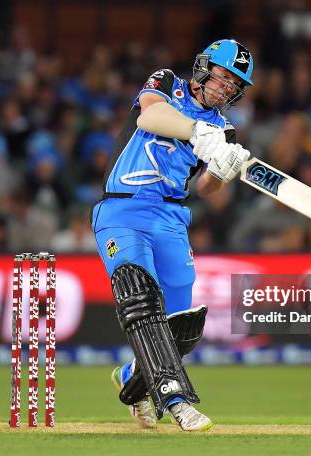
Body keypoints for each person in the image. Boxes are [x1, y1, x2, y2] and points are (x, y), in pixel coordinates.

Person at [91, 39, 254, 431]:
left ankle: (133, 378)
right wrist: (197, 131)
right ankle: (177, 398)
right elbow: (149, 117)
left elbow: (205, 189)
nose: (226, 87)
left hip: (170, 217)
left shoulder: (224, 131)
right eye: (223, 76)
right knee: (139, 292)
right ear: (203, 67)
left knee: (181, 323)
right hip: (122, 208)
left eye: (234, 84)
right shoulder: (167, 83)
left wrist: (223, 169)